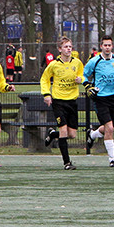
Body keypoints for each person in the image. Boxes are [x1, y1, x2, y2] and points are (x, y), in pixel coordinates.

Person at [40, 36, 85, 170]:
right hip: (59, 102)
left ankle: (53, 134)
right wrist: (46, 94)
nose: (68, 49)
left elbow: (83, 75)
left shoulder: (77, 63)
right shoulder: (54, 64)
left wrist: (80, 79)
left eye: (70, 46)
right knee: (64, 130)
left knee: (72, 134)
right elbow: (44, 79)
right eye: (66, 47)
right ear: (60, 49)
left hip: (72, 101)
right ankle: (67, 163)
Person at [83, 35, 114, 167]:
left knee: (109, 127)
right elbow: (84, 75)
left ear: (112, 46)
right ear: (101, 46)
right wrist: (88, 87)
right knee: (109, 127)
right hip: (100, 98)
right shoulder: (94, 61)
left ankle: (92, 134)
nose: (107, 48)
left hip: (113, 97)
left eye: (109, 45)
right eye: (105, 45)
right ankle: (112, 159)